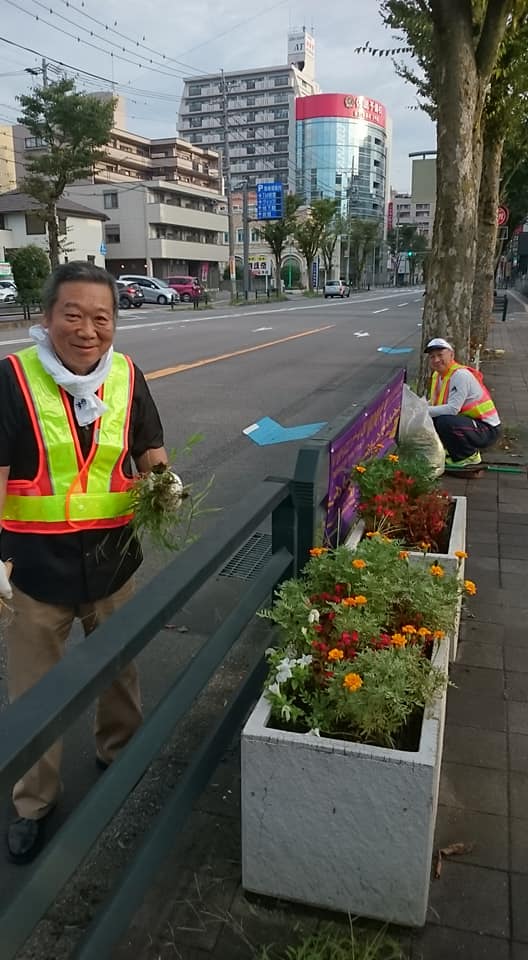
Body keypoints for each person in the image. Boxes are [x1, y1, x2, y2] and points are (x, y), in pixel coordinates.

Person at [0, 261, 169, 864]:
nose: (87, 329)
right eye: (72, 315)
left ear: (115, 325)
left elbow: (150, 449)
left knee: (120, 669)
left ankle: (119, 756)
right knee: (34, 689)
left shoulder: (126, 376)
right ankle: (32, 801)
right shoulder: (13, 377)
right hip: (33, 570)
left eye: (101, 317)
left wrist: (165, 484)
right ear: (47, 319)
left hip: (112, 561)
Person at [425, 337, 501, 470]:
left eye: (440, 355)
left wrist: (423, 410)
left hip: (487, 429)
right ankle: (453, 450)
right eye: (432, 357)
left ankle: (469, 456)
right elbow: (435, 405)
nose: (436, 360)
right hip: (470, 424)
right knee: (435, 420)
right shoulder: (438, 376)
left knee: (445, 421)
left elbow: (453, 409)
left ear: (451, 355)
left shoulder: (460, 375)